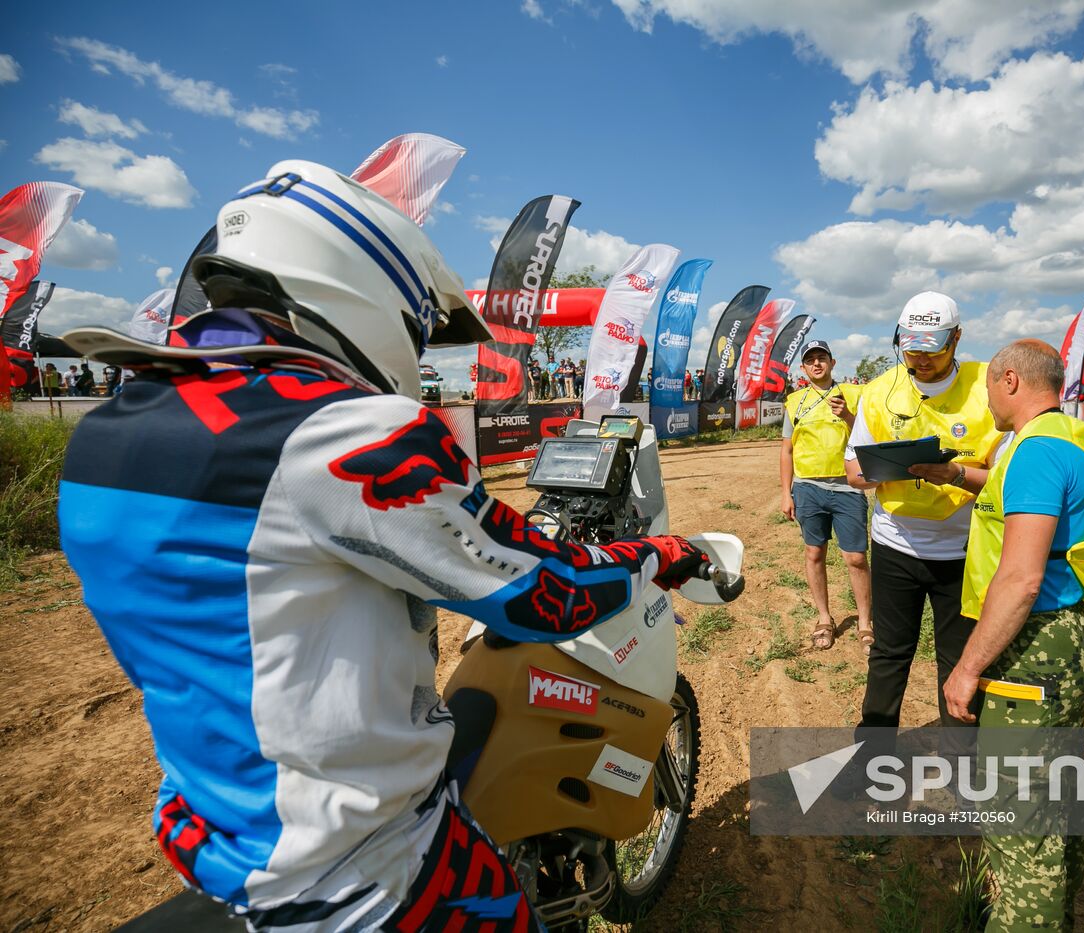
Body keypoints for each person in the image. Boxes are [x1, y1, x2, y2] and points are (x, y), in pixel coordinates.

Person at [56, 160, 713, 932]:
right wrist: (667, 554)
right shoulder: (339, 431)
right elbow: (551, 590)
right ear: (361, 292)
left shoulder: (107, 434)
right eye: (417, 329)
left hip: (212, 825)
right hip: (368, 864)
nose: (420, 353)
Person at [944, 339, 1084, 933]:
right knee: (1050, 801)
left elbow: (1023, 577)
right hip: (1072, 635)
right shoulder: (1071, 438)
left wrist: (967, 667)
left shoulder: (1033, 453)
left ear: (1010, 380)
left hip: (1035, 642)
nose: (984, 397)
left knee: (1018, 825)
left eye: (987, 385)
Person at [844, 291, 1006, 730]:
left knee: (958, 663)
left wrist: (953, 474)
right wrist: (889, 470)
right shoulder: (879, 392)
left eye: (932, 350)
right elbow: (853, 473)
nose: (920, 360)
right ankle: (871, 760)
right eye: (911, 349)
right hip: (895, 546)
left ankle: (961, 770)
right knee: (889, 657)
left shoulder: (986, 388)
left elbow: (1008, 481)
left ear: (957, 338)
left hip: (964, 553)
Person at [780, 340, 872, 652]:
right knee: (814, 554)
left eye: (822, 358)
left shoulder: (853, 395)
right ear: (803, 369)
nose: (816, 364)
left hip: (848, 486)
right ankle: (824, 618)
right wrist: (786, 493)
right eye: (810, 361)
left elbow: (868, 437)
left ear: (832, 362)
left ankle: (865, 621)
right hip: (808, 488)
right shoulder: (794, 401)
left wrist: (848, 415)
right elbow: (787, 449)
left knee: (856, 558)